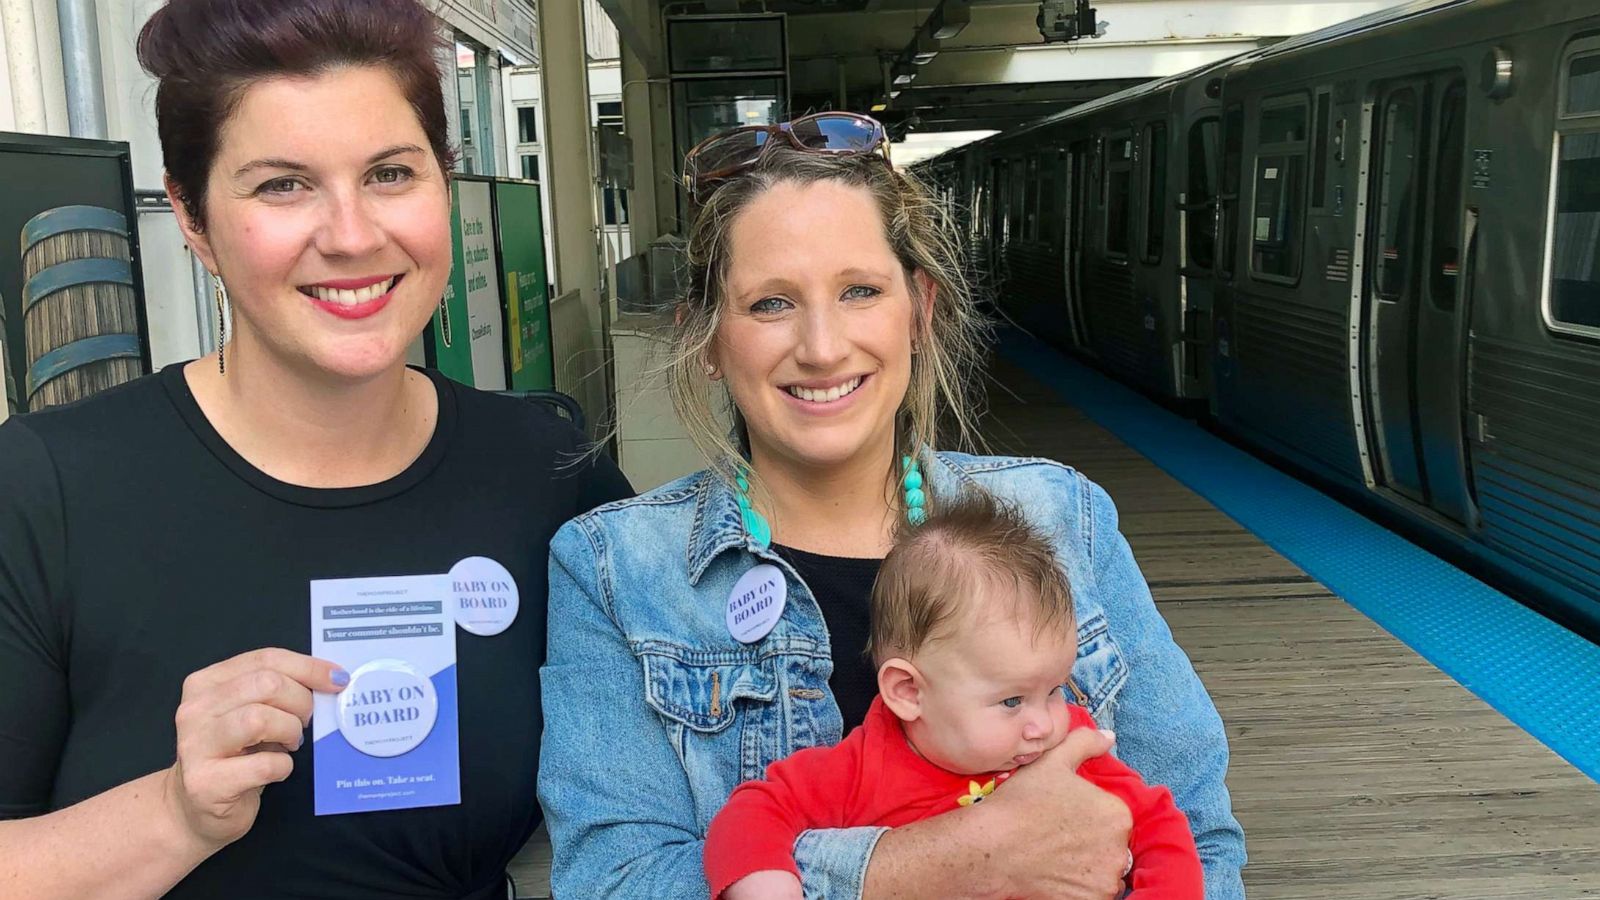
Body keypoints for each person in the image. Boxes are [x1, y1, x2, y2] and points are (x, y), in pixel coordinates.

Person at [0, 0, 629, 897]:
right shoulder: (44, 492)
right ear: (191, 215)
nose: (351, 235)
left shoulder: (546, 471)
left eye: (390, 173)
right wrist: (175, 813)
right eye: (281, 185)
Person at [539, 112, 1246, 900]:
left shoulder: (1063, 517)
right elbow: (615, 880)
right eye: (771, 304)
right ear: (707, 338)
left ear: (922, 308)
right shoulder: (613, 570)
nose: (822, 346)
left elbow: (1197, 835)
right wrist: (941, 863)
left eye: (860, 292)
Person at [704, 491, 1204, 900]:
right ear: (907, 691)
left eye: (1055, 689)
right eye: (1011, 701)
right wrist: (770, 885)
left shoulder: (1072, 752)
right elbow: (755, 812)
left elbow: (1162, 827)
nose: (1046, 723)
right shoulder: (863, 768)